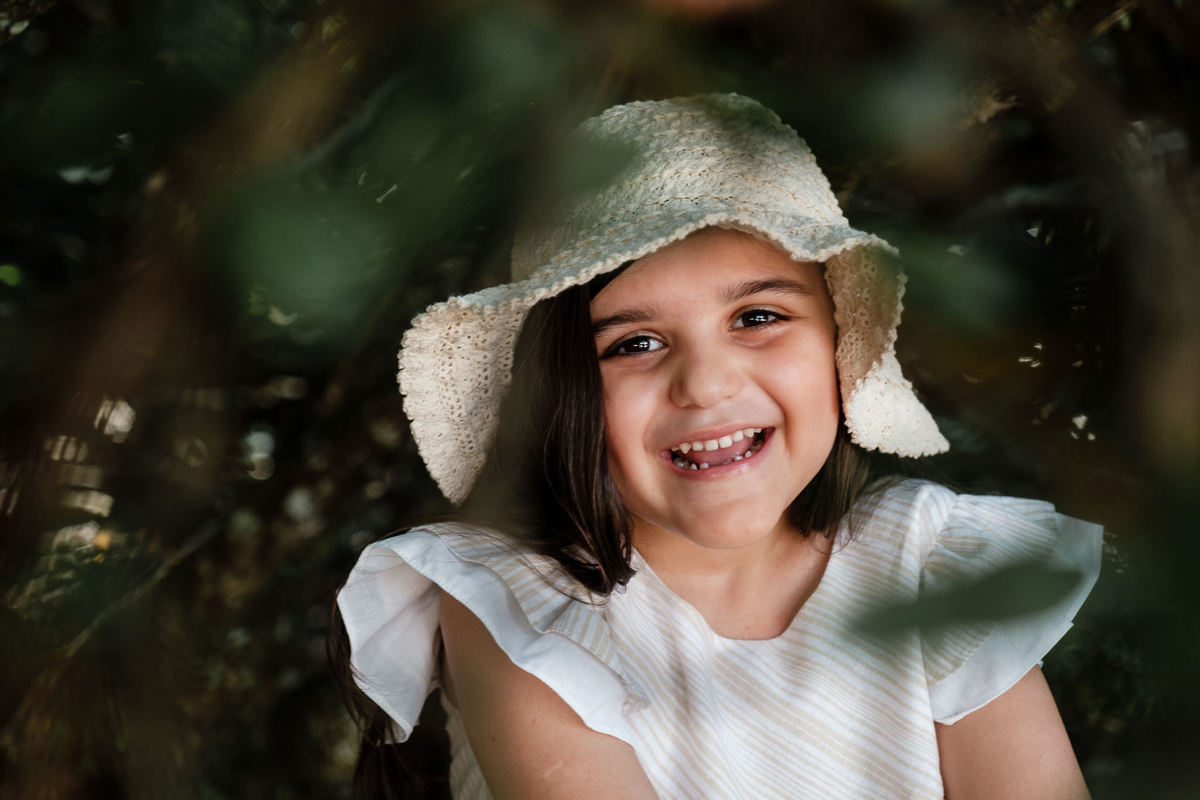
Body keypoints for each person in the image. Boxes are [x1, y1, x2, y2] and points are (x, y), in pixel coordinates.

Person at [332, 94, 1101, 799]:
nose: (703, 384)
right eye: (634, 342)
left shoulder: (927, 565)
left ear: (840, 344)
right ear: (563, 389)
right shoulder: (513, 604)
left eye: (759, 317)